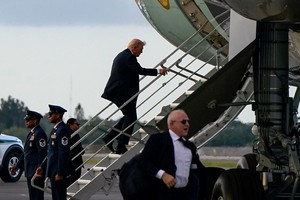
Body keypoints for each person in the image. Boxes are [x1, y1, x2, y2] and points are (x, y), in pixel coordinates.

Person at [101, 38, 169, 154]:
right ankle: (121, 144)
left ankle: (111, 137)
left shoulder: (122, 55)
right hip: (122, 93)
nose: (141, 52)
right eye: (141, 49)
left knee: (129, 116)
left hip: (120, 92)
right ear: (135, 47)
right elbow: (140, 70)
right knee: (131, 118)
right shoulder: (129, 57)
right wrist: (158, 71)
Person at [138, 109, 204, 200]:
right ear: (172, 124)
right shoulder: (158, 140)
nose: (187, 124)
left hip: (187, 194)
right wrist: (163, 175)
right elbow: (144, 161)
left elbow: (197, 168)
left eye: (188, 122)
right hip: (164, 193)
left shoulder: (190, 145)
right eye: (184, 122)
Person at [36, 105, 71, 200]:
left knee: (59, 197)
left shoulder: (62, 130)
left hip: (57, 171)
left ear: (58, 115)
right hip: (53, 170)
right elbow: (50, 152)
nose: (48, 116)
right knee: (55, 197)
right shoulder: (55, 129)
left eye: (51, 114)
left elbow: (63, 153)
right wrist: (42, 166)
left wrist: (60, 172)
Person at [11, 110, 47, 200]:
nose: (26, 122)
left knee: (37, 196)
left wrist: (40, 168)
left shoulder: (40, 133)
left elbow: (43, 153)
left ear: (35, 121)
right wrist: (17, 166)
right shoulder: (31, 133)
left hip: (36, 171)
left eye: (28, 120)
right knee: (33, 196)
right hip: (30, 170)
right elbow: (26, 152)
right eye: (26, 120)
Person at [66, 118, 84, 186]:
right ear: (70, 124)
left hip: (73, 161)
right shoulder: (72, 134)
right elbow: (76, 148)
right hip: (74, 161)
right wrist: (82, 150)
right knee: (73, 181)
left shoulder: (72, 133)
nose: (78, 126)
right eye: (76, 124)